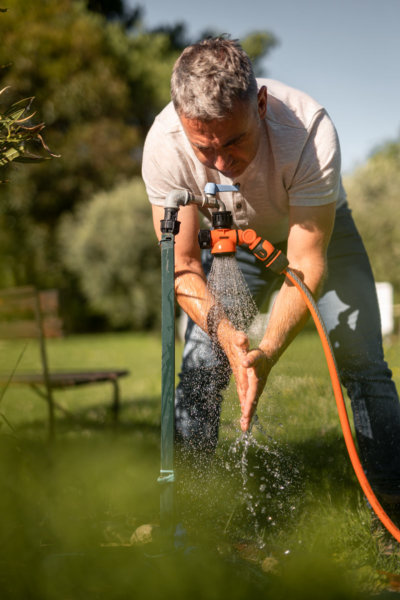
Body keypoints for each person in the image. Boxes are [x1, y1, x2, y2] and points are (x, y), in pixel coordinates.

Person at [142, 37, 400, 516]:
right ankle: (190, 515)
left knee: (363, 360)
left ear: (259, 104)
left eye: (234, 141)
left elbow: (307, 261)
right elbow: (182, 265)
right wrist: (226, 334)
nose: (221, 164)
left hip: (317, 235)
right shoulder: (164, 145)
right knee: (202, 365)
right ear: (181, 120)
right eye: (205, 148)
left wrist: (266, 353)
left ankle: (392, 503)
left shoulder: (308, 129)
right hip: (233, 242)